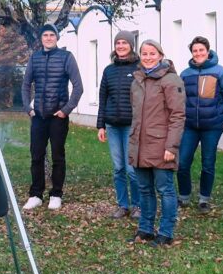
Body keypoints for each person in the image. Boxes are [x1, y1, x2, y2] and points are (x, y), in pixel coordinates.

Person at [128, 39, 186, 246]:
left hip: (161, 145)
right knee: (144, 189)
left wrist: (172, 147)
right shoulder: (137, 80)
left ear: (160, 55)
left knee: (165, 190)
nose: (148, 57)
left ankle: (166, 232)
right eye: (144, 53)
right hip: (140, 144)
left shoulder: (171, 80)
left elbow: (178, 116)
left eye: (152, 53)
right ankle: (145, 229)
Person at [21, 23, 83, 211]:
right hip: (38, 116)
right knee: (36, 156)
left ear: (57, 38)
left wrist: (66, 110)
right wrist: (28, 109)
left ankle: (56, 194)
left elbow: (78, 87)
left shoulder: (66, 57)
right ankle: (36, 195)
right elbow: (25, 85)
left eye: (51, 35)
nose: (48, 38)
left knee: (58, 156)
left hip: (58, 117)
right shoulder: (35, 58)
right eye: (45, 35)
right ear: (41, 39)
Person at [177, 36, 223, 212]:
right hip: (189, 126)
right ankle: (184, 196)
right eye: (195, 51)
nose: (198, 53)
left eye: (201, 50)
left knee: (208, 163)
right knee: (182, 162)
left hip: (212, 127)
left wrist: (219, 118)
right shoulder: (185, 74)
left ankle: (204, 199)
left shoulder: (221, 72)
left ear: (208, 51)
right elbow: (179, 99)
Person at [96, 30, 141, 219]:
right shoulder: (109, 70)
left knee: (132, 169)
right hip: (113, 126)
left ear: (131, 45)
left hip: (132, 126)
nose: (121, 46)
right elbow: (103, 97)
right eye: (118, 43)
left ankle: (138, 205)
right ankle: (123, 205)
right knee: (118, 169)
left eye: (124, 42)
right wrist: (101, 125)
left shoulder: (139, 68)